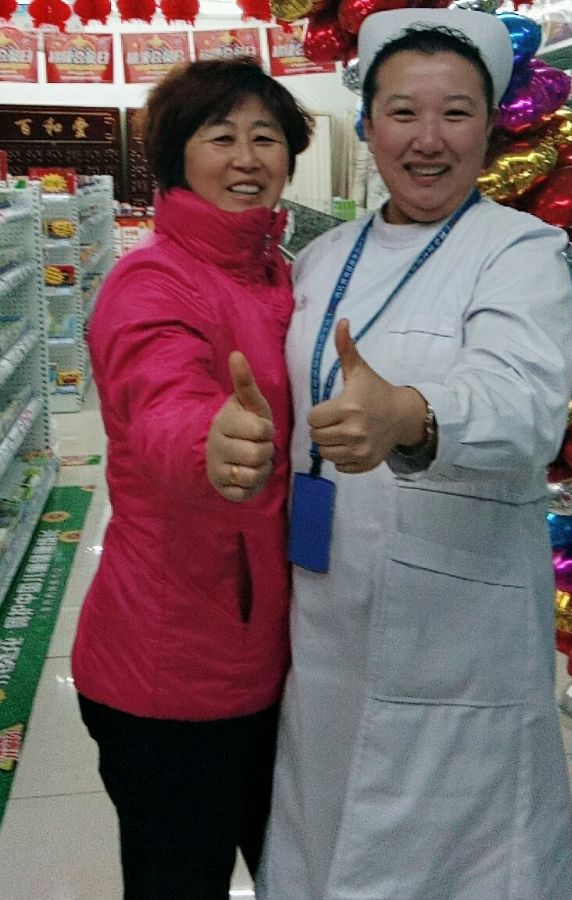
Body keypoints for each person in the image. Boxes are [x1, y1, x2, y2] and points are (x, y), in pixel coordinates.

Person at [256, 9, 572, 900]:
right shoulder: (323, 258)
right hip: (327, 607)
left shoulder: (517, 251)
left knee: (456, 859)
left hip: (458, 624)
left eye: (455, 113)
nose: (427, 139)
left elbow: (524, 407)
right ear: (367, 125)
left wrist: (410, 414)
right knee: (325, 829)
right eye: (402, 112)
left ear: (489, 126)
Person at [71, 58, 313, 899]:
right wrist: (208, 442)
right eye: (221, 137)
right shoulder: (153, 279)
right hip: (170, 674)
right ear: (177, 156)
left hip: (266, 653)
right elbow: (161, 396)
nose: (247, 157)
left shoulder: (277, 274)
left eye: (266, 137)